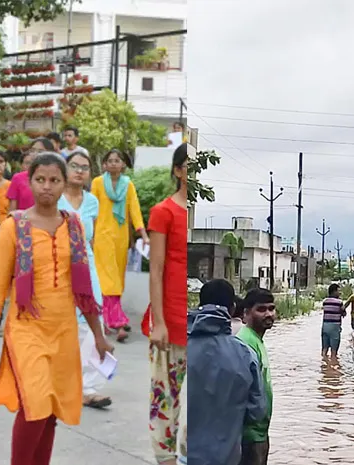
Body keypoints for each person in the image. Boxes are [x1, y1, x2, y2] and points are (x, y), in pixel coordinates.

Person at [0, 152, 113, 465]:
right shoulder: (15, 226)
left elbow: (83, 289)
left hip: (64, 329)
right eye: (40, 180)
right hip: (26, 328)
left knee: (50, 412)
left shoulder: (74, 225)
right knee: (34, 406)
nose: (46, 187)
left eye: (54, 180)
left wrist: (98, 335)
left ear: (65, 184)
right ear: (30, 181)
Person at [188, 279, 266, 465]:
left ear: (199, 305)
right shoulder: (246, 354)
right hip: (226, 456)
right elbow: (257, 412)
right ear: (232, 309)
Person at [143, 144, 188, 465]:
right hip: (169, 319)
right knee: (165, 398)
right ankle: (166, 459)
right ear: (177, 170)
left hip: (200, 325)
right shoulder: (164, 212)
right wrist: (158, 321)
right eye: (189, 165)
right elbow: (155, 269)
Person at [57, 151, 108, 408]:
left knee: (92, 320)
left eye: (84, 167)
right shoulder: (55, 200)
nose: (79, 171)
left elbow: (92, 237)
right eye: (74, 166)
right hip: (58, 265)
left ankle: (88, 387)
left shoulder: (92, 202)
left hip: (86, 265)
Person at [92, 149, 148, 342]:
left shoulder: (128, 185)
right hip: (101, 236)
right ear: (104, 164)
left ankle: (107, 317)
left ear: (124, 164)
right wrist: (88, 235)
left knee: (117, 279)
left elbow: (134, 210)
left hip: (121, 238)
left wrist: (142, 234)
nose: (114, 163)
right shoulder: (97, 183)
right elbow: (92, 209)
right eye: (110, 160)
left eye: (118, 160)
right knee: (108, 279)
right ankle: (116, 321)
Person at [237, 288, 275, 465]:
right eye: (261, 309)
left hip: (259, 431)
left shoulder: (256, 340)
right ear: (245, 314)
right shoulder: (245, 343)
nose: (268, 314)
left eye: (271, 308)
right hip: (249, 434)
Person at [321, 283, 345, 358]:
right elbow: (343, 313)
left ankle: (324, 364)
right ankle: (333, 366)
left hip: (325, 326)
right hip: (334, 327)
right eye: (338, 291)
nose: (340, 293)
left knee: (324, 349)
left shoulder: (325, 301)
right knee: (334, 352)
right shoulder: (339, 302)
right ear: (334, 292)